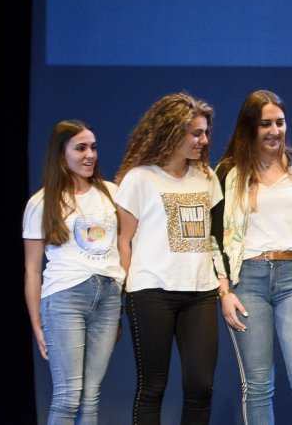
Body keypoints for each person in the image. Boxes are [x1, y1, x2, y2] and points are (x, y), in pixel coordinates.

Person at [213, 90, 292, 424]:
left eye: (280, 122)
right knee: (258, 385)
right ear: (250, 126)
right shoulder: (228, 172)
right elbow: (214, 236)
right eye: (265, 124)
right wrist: (224, 291)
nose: (274, 131)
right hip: (247, 279)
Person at [115, 92, 223, 424]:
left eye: (205, 133)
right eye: (195, 133)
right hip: (150, 291)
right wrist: (121, 295)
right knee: (152, 387)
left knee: (201, 387)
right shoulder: (139, 178)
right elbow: (123, 241)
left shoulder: (207, 177)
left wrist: (223, 283)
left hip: (200, 292)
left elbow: (214, 238)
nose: (204, 140)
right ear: (172, 132)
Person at [23, 120, 125, 425]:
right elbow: (32, 270)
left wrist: (120, 292)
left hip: (108, 299)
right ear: (61, 154)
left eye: (93, 147)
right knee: (68, 396)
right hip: (65, 298)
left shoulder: (112, 193)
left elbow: (125, 244)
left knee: (91, 397)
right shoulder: (41, 203)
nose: (89, 154)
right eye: (80, 148)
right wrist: (38, 326)